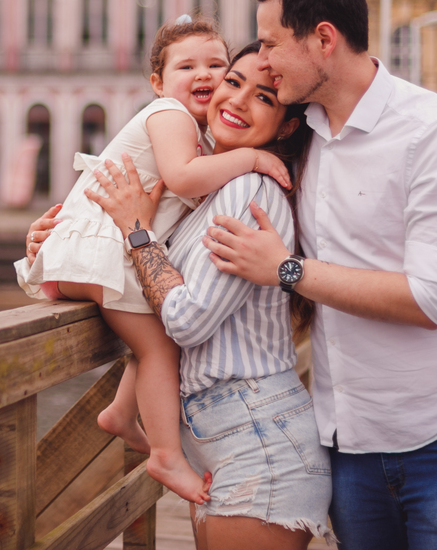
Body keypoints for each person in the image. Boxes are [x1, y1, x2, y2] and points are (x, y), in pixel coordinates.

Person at [202, 0, 437, 549]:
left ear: (323, 38)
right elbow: (201, 159)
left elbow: (432, 297)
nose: (260, 61)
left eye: (270, 44)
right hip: (347, 441)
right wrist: (79, 233)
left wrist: (286, 271)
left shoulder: (435, 133)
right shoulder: (299, 135)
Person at [34, 42, 334, 549]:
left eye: (263, 97)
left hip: (256, 442)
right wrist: (57, 237)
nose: (236, 100)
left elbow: (188, 319)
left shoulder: (248, 190)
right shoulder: (212, 188)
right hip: (235, 438)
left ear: (286, 126)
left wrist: (136, 230)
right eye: (232, 82)